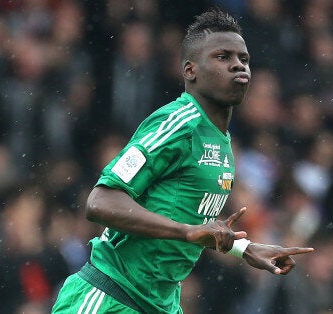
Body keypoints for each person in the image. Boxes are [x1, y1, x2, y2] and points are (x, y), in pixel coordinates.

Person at [52, 9, 314, 314]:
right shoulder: (177, 124)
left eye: (243, 58)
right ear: (191, 71)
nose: (238, 65)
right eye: (222, 56)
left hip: (159, 304)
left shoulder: (223, 143)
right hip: (110, 295)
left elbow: (194, 224)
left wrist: (244, 249)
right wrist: (185, 232)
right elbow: (100, 202)